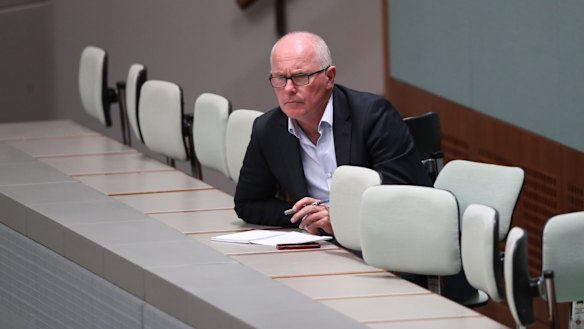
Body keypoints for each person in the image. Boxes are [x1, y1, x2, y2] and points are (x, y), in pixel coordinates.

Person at [234, 31, 432, 235]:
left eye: (300, 77)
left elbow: (402, 195)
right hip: (321, 245)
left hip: (384, 238)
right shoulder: (268, 129)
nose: (289, 89)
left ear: (329, 77)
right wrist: (309, 218)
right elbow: (248, 203)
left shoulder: (372, 116)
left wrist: (340, 218)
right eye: (280, 78)